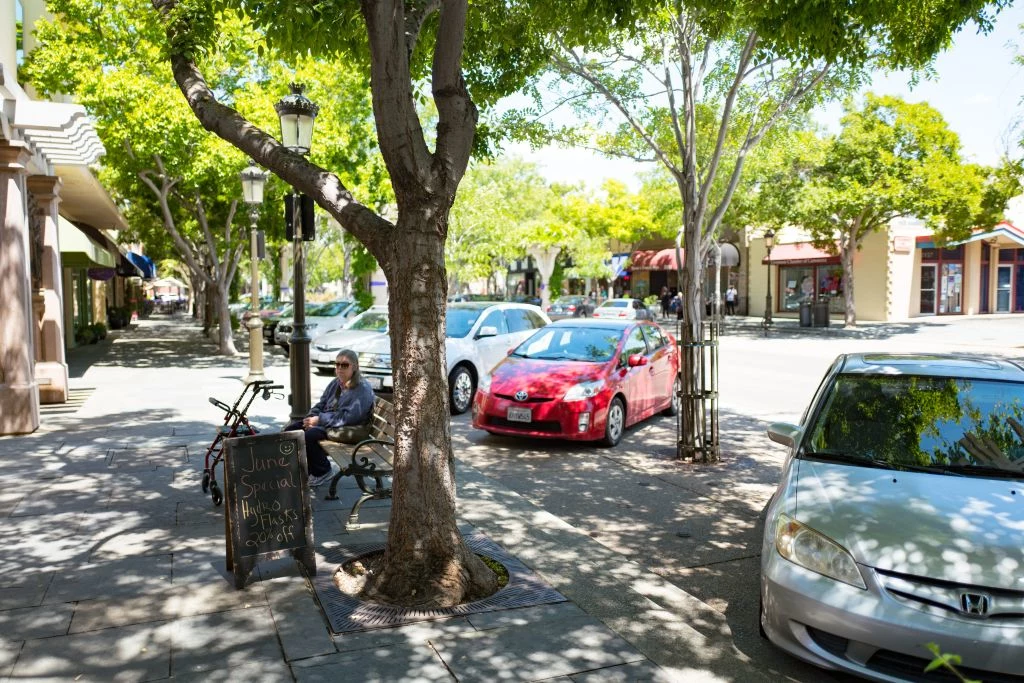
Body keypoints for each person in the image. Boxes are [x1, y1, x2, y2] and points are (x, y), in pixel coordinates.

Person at [283, 349, 375, 487]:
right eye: (337, 364)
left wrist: (319, 420)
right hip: (329, 423)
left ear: (355, 366)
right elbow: (321, 403)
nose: (339, 368)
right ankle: (301, 470)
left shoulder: (362, 389)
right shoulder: (336, 383)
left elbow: (348, 418)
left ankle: (323, 471)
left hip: (346, 429)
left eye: (344, 365)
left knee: (310, 435)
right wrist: (311, 418)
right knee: (289, 431)